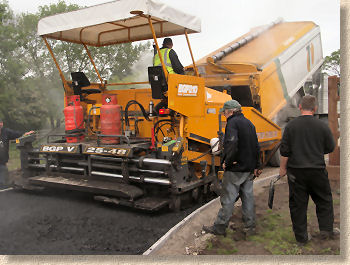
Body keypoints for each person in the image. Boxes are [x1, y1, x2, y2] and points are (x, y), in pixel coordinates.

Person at [279, 95, 338, 245]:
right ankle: (326, 231)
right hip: (317, 170)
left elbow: (285, 151)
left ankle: (301, 238)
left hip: (296, 172)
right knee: (324, 200)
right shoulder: (322, 126)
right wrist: (317, 150)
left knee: (298, 205)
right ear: (315, 108)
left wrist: (282, 169)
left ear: (299, 107)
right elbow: (331, 147)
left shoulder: (291, 127)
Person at [203, 99, 261, 237]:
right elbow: (256, 146)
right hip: (248, 168)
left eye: (225, 113)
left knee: (228, 198)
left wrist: (227, 162)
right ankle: (250, 227)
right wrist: (257, 165)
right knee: (247, 197)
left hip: (236, 168)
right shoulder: (249, 123)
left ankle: (220, 227)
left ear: (231, 111)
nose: (224, 115)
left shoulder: (232, 123)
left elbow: (232, 144)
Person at [0, 119, 34, 188]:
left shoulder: (6, 132)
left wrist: (25, 134)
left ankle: (4, 185)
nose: (0, 124)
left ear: (2, 124)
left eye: (0, 123)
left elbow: (16, 134)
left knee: (3, 175)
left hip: (2, 160)